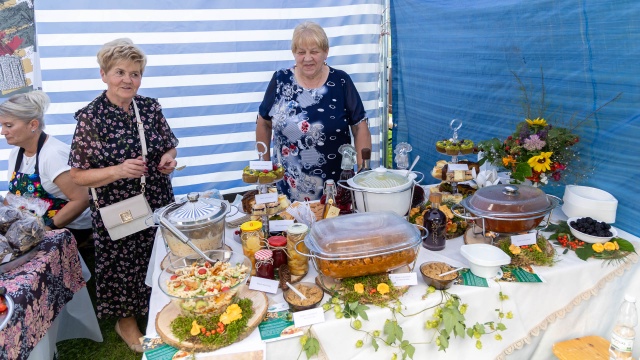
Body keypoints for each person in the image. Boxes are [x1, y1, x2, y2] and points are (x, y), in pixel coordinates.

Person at [68, 38, 179, 353]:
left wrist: (167, 158)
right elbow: (77, 174)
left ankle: (160, 305)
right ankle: (125, 320)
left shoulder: (149, 107)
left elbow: (169, 142)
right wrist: (117, 171)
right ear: (104, 74)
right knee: (123, 265)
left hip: (156, 198)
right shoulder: (91, 117)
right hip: (119, 208)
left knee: (158, 255)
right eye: (120, 72)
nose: (128, 80)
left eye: (135, 73)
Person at [256, 21, 372, 201]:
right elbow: (263, 122)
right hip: (287, 189)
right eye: (301, 52)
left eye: (314, 51)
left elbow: (360, 126)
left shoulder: (341, 81)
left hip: (335, 189)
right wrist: (264, 169)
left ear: (326, 52)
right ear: (294, 53)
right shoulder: (280, 80)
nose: (307, 58)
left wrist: (363, 171)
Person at [0, 91, 92, 244]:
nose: (3, 131)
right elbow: (13, 194)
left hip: (68, 227)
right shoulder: (16, 153)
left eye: (8, 125)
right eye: (2, 125)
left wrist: (46, 228)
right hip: (35, 224)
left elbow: (82, 199)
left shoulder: (53, 154)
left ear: (33, 125)